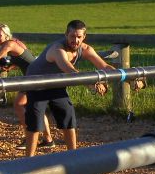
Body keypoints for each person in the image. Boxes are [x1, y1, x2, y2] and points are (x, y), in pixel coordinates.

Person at [24, 20, 114, 157]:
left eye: (79, 37)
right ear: (66, 34)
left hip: (57, 83)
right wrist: (91, 83)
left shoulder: (86, 49)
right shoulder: (57, 49)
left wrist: (126, 76)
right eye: (72, 36)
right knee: (35, 121)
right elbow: (68, 68)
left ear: (84, 37)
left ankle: (73, 156)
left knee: (68, 116)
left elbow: (104, 66)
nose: (75, 40)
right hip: (37, 83)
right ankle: (28, 160)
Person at [0, 24, 53, 150]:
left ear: (6, 36)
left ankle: (30, 137)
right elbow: (25, 58)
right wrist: (12, 66)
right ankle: (48, 139)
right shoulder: (16, 42)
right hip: (37, 75)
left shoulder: (8, 45)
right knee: (37, 107)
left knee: (19, 104)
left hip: (33, 77)